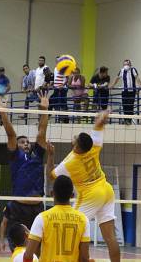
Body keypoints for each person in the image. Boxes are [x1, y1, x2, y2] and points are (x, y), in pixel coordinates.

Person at [46, 111, 120, 262]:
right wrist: (103, 117)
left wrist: (51, 154)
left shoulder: (70, 162)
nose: (73, 138)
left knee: (72, 228)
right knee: (110, 237)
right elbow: (99, 125)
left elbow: (50, 175)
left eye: (75, 139)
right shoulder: (93, 146)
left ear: (77, 146)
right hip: (106, 189)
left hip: (91, 195)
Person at [0, 92, 49, 251]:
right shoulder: (15, 157)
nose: (26, 144)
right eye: (22, 142)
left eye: (27, 142)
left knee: (37, 251)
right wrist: (3, 113)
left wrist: (44, 110)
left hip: (37, 209)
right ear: (17, 146)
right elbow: (11, 134)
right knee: (19, 250)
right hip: (19, 208)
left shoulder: (37, 156)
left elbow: (41, 133)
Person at [24, 175, 91, 262]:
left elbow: (28, 255)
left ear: (52, 193)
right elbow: (84, 258)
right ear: (72, 195)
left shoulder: (42, 218)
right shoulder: (83, 220)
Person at [110, 59, 141, 124]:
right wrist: (112, 85)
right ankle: (126, 120)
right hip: (124, 91)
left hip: (132, 91)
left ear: (130, 65)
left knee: (130, 106)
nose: (126, 65)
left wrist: (140, 85)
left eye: (127, 64)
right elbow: (117, 78)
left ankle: (129, 120)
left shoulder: (133, 70)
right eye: (125, 64)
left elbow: (137, 77)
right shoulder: (121, 70)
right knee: (125, 106)